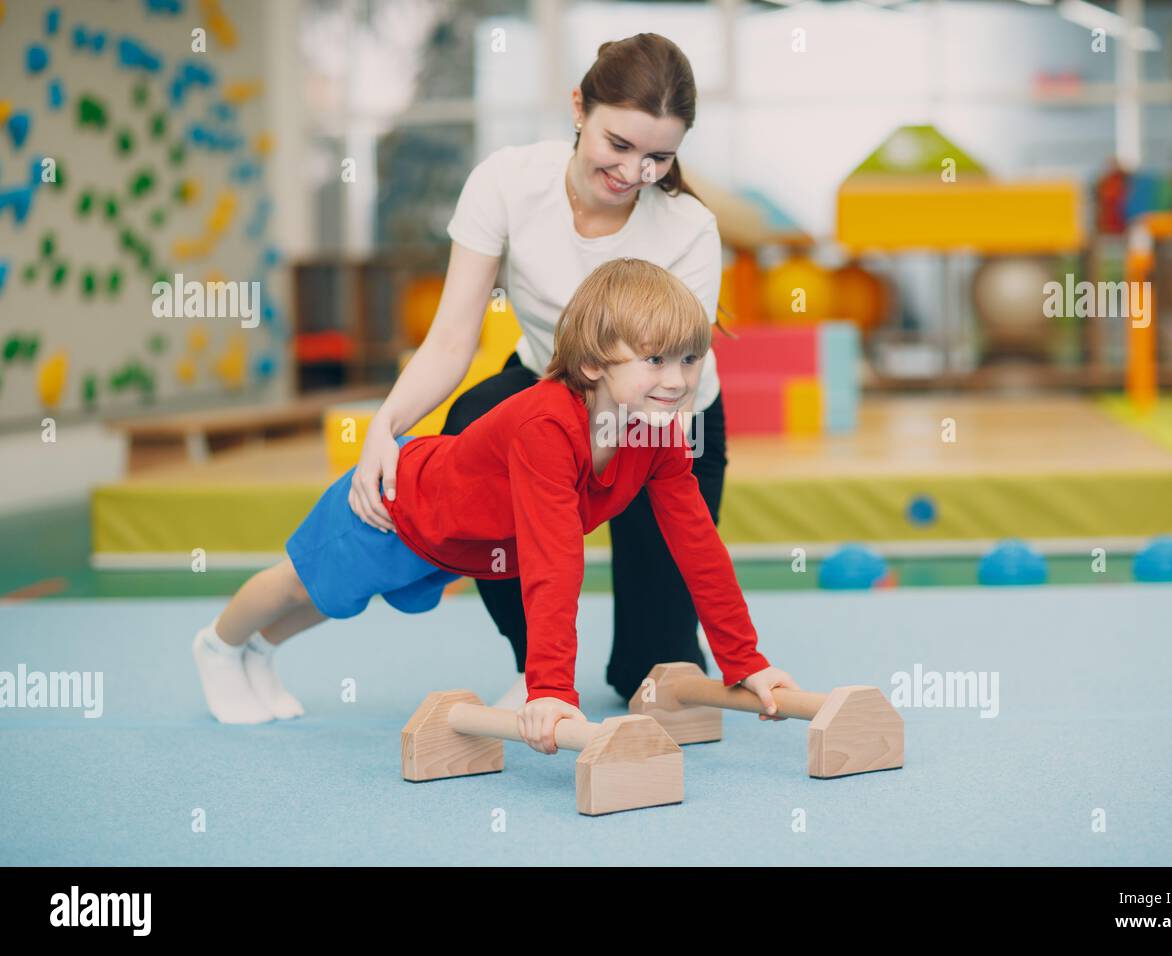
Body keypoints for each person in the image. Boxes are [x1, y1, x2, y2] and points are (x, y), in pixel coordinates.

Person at [192, 258, 798, 753]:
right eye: (655, 359)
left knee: (337, 602)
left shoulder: (658, 433)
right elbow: (555, 557)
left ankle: (261, 653)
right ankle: (219, 645)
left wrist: (744, 660)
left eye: (691, 359)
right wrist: (552, 690)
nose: (678, 379)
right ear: (591, 363)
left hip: (467, 549)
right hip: (400, 509)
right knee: (302, 587)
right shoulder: (547, 424)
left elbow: (696, 545)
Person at [348, 33, 732, 708]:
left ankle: (650, 653)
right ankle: (538, 667)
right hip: (549, 392)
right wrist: (385, 427)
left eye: (658, 157)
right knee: (474, 425)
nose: (633, 172)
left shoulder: (690, 228)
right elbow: (449, 341)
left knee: (650, 675)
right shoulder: (507, 182)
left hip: (661, 421)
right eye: (619, 145)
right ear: (579, 107)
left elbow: (676, 383)